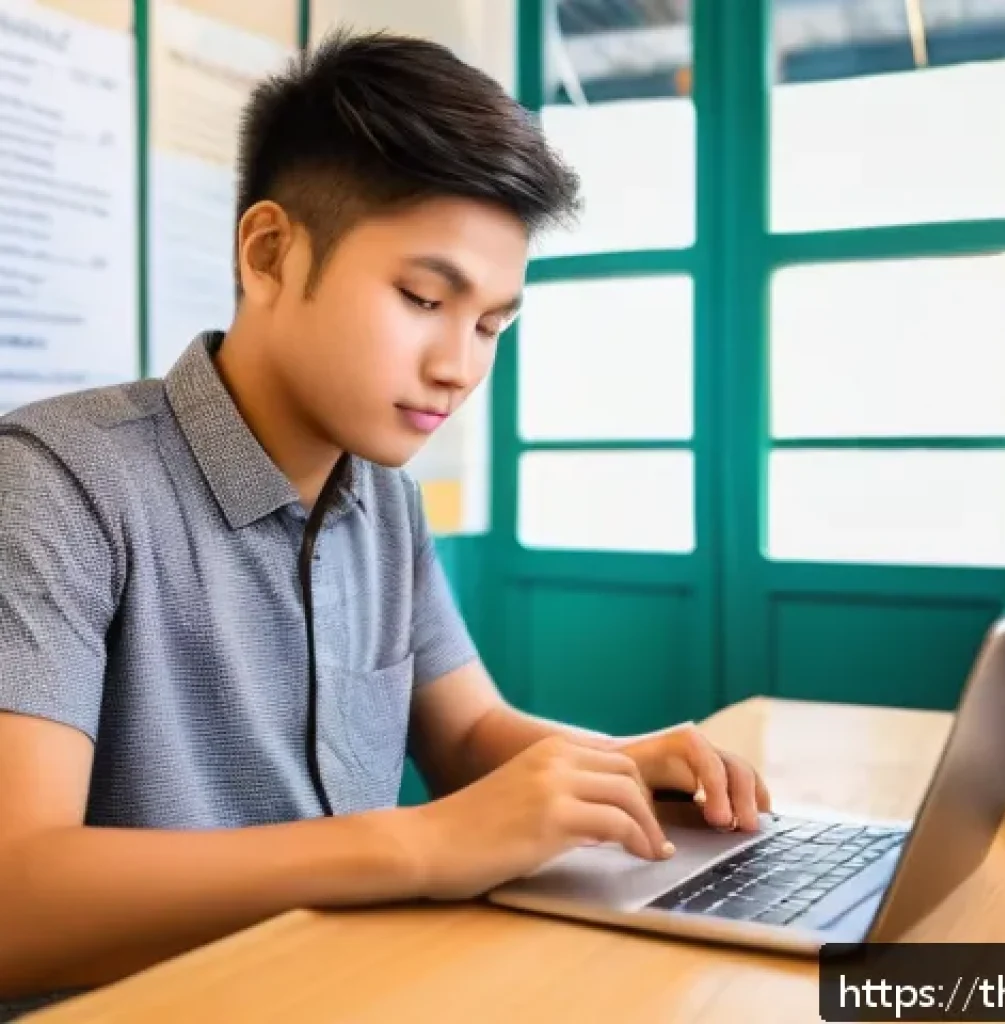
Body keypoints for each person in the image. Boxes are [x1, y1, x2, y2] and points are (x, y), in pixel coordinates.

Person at [0, 29, 771, 1019]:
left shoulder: (383, 497)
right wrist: (420, 843)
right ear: (270, 253)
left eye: (490, 325)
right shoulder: (56, 483)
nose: (460, 366)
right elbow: (15, 900)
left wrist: (618, 762)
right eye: (423, 298)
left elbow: (470, 733)